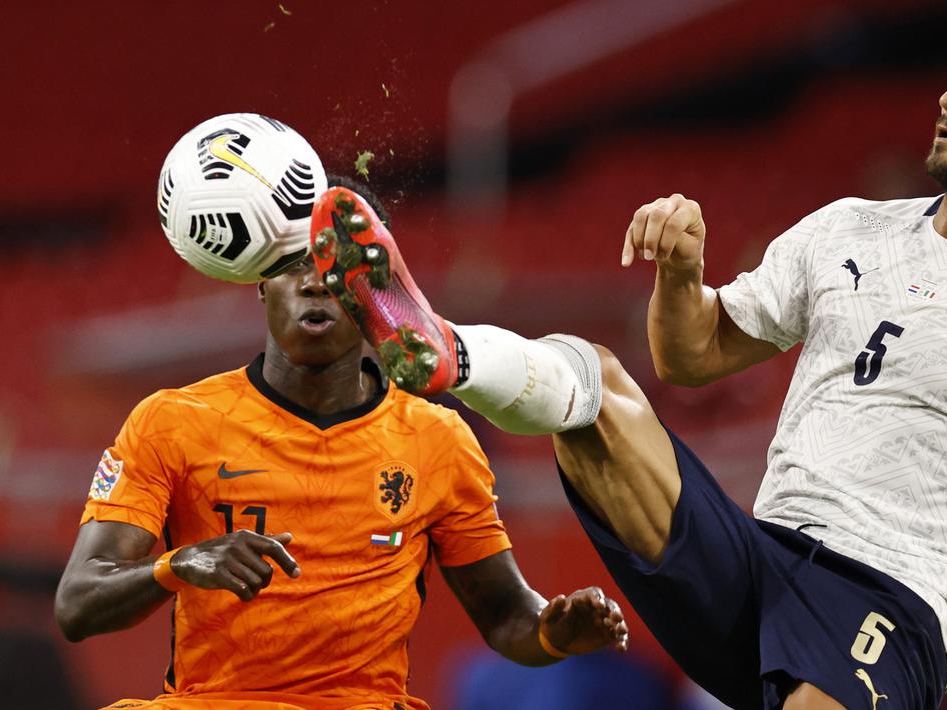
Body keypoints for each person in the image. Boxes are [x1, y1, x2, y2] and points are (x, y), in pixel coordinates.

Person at [310, 12, 947, 710]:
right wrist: (681, 276)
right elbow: (689, 358)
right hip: (754, 558)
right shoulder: (846, 230)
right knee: (596, 386)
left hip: (887, 609)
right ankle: (444, 349)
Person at [54, 177, 629, 710]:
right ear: (259, 283)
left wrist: (554, 631)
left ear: (375, 291)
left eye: (339, 266)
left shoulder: (438, 440)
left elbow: (506, 614)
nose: (314, 281)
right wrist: (180, 564)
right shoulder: (173, 421)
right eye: (290, 264)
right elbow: (78, 602)